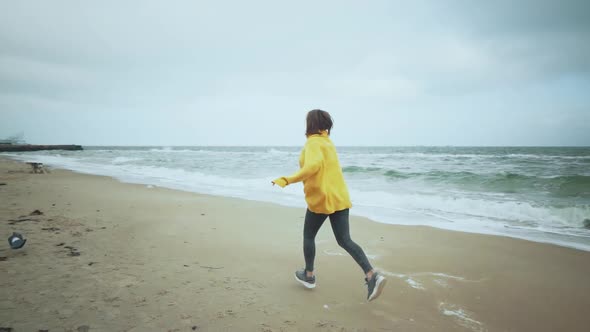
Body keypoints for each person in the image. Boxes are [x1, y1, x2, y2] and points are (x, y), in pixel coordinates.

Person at [272, 109, 386, 302]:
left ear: (310, 124)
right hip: (340, 198)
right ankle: (371, 274)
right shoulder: (327, 142)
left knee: (308, 236)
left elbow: (312, 167)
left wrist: (286, 179)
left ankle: (309, 275)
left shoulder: (313, 143)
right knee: (344, 240)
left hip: (322, 200)